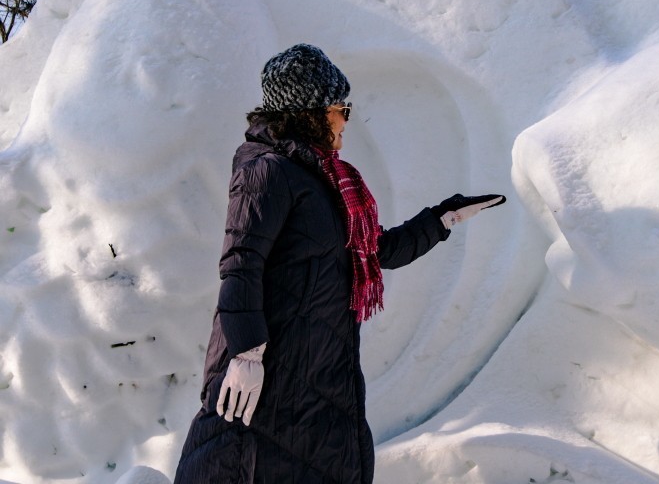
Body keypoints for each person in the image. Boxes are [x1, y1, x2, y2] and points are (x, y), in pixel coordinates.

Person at [174, 43, 504, 483]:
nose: (347, 118)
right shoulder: (267, 170)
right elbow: (241, 263)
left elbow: (377, 250)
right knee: (239, 462)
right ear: (311, 112)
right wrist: (247, 352)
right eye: (340, 107)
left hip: (320, 364)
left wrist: (442, 218)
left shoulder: (325, 177)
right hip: (272, 363)